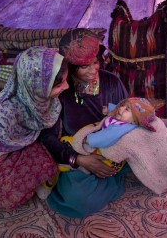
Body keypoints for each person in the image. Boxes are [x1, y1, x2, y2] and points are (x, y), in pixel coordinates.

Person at [0, 46, 69, 233]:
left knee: (45, 158)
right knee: (7, 194)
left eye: (65, 81)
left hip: (27, 145)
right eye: (59, 85)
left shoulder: (44, 99)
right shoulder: (6, 116)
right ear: (36, 84)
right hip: (2, 157)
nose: (67, 87)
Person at [39, 28, 129, 218]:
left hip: (114, 152)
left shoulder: (112, 82)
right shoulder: (61, 92)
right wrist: (80, 160)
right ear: (71, 68)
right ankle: (113, 182)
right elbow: (47, 137)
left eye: (95, 62)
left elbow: (128, 118)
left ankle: (113, 174)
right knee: (77, 199)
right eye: (84, 67)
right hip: (79, 156)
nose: (93, 70)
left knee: (153, 153)